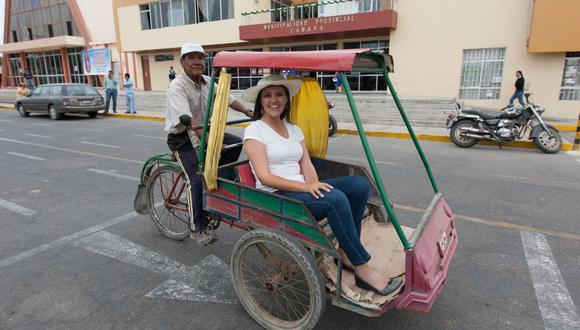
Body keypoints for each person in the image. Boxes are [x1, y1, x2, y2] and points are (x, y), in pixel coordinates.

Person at [242, 75, 403, 296]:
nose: (274, 100)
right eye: (268, 95)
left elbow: (306, 163)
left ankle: (347, 251)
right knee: (335, 200)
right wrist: (308, 189)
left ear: (286, 99)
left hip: (300, 188)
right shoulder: (255, 130)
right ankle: (363, 269)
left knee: (358, 184)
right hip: (276, 196)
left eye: (279, 94)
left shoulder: (294, 129)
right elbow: (265, 177)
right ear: (260, 101)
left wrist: (314, 184)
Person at [165, 42, 252, 246]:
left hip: (206, 132)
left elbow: (228, 100)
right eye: (192, 58)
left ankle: (215, 181)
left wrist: (249, 112)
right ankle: (197, 227)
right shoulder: (177, 86)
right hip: (182, 138)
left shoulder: (208, 81)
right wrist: (211, 142)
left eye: (200, 58)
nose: (197, 62)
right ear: (183, 62)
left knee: (236, 143)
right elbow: (186, 118)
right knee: (196, 178)